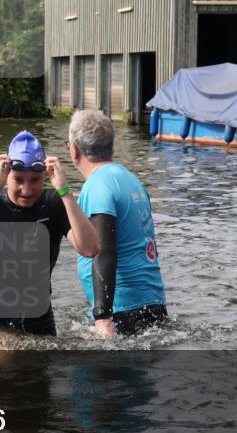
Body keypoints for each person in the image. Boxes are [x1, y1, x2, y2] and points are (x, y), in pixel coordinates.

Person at [0, 130, 99, 339]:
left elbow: (90, 248)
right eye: (18, 179)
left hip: (37, 318)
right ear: (5, 174)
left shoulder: (54, 205)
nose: (27, 189)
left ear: (45, 177)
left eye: (35, 180)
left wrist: (65, 191)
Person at [66, 110, 167, 338]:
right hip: (153, 303)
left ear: (74, 149)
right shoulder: (132, 180)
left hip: (122, 310)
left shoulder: (97, 186)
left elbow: (103, 252)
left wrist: (102, 316)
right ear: (111, 146)